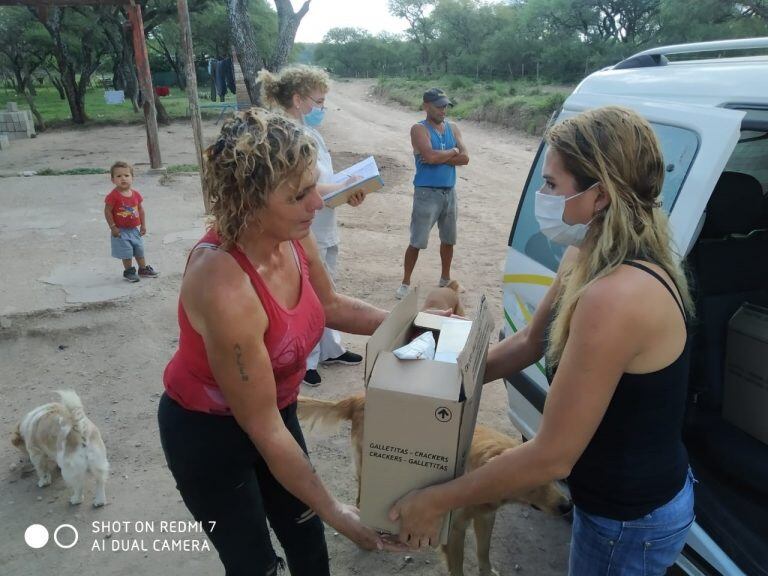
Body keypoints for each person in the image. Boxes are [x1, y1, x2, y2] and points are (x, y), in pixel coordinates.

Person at [389, 106, 696, 576]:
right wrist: (443, 379)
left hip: (628, 518)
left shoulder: (616, 295)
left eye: (552, 184)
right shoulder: (588, 250)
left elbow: (552, 454)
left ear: (601, 194)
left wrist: (435, 500)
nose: (541, 195)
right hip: (616, 497)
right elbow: (532, 341)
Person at [157, 109, 395, 576]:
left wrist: (413, 322)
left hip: (277, 410)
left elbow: (331, 306)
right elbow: (262, 428)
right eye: (301, 195)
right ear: (249, 199)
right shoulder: (223, 284)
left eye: (314, 187)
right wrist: (337, 510)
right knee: (255, 565)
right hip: (209, 435)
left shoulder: (289, 236)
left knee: (307, 542)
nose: (318, 205)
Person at [259, 64, 367, 387]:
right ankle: (305, 361)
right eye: (318, 101)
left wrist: (348, 188)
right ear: (298, 98)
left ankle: (330, 348)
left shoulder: (311, 132)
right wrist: (345, 190)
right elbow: (300, 187)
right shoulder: (288, 137)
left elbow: (323, 180)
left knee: (327, 285)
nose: (321, 108)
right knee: (307, 291)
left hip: (324, 222)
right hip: (305, 226)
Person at [396, 87, 469, 300]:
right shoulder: (419, 129)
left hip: (449, 192)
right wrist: (452, 152)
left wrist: (442, 156)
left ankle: (445, 278)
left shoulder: (452, 128)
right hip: (426, 193)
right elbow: (429, 156)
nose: (443, 110)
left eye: (445, 106)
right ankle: (405, 282)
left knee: (449, 239)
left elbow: (465, 158)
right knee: (417, 240)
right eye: (438, 106)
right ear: (426, 106)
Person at [104, 161, 159, 282]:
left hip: (134, 230)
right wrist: (113, 227)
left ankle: (143, 269)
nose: (123, 178)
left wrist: (143, 225)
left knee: (139, 250)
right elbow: (107, 211)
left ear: (132, 178)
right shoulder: (113, 196)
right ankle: (129, 271)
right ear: (113, 180)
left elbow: (140, 210)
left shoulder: (136, 195)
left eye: (126, 175)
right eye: (118, 176)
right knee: (127, 252)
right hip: (121, 231)